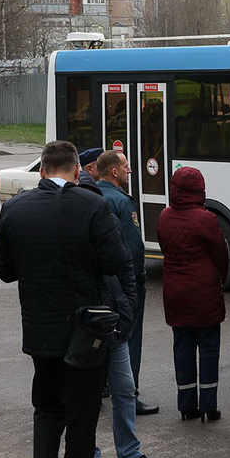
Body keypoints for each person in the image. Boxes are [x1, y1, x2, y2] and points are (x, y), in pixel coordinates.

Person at [0, 141, 131, 458]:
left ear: (41, 171)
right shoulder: (93, 204)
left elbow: (4, 271)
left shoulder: (15, 208)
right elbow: (116, 261)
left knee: (47, 409)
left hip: (40, 331)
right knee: (82, 419)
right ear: (75, 171)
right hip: (85, 332)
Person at [157, 167, 229, 422]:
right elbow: (221, 253)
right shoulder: (205, 218)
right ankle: (209, 404)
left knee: (183, 348)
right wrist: (220, 276)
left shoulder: (165, 216)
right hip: (204, 291)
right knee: (209, 348)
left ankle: (186, 404)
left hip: (175, 291)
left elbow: (165, 247)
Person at [93, 151, 158, 417]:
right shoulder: (121, 201)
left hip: (101, 281)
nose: (130, 171)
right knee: (129, 337)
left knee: (102, 336)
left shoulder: (92, 196)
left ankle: (103, 386)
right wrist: (137, 281)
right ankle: (130, 395)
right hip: (123, 283)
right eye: (127, 167)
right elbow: (132, 248)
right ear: (115, 172)